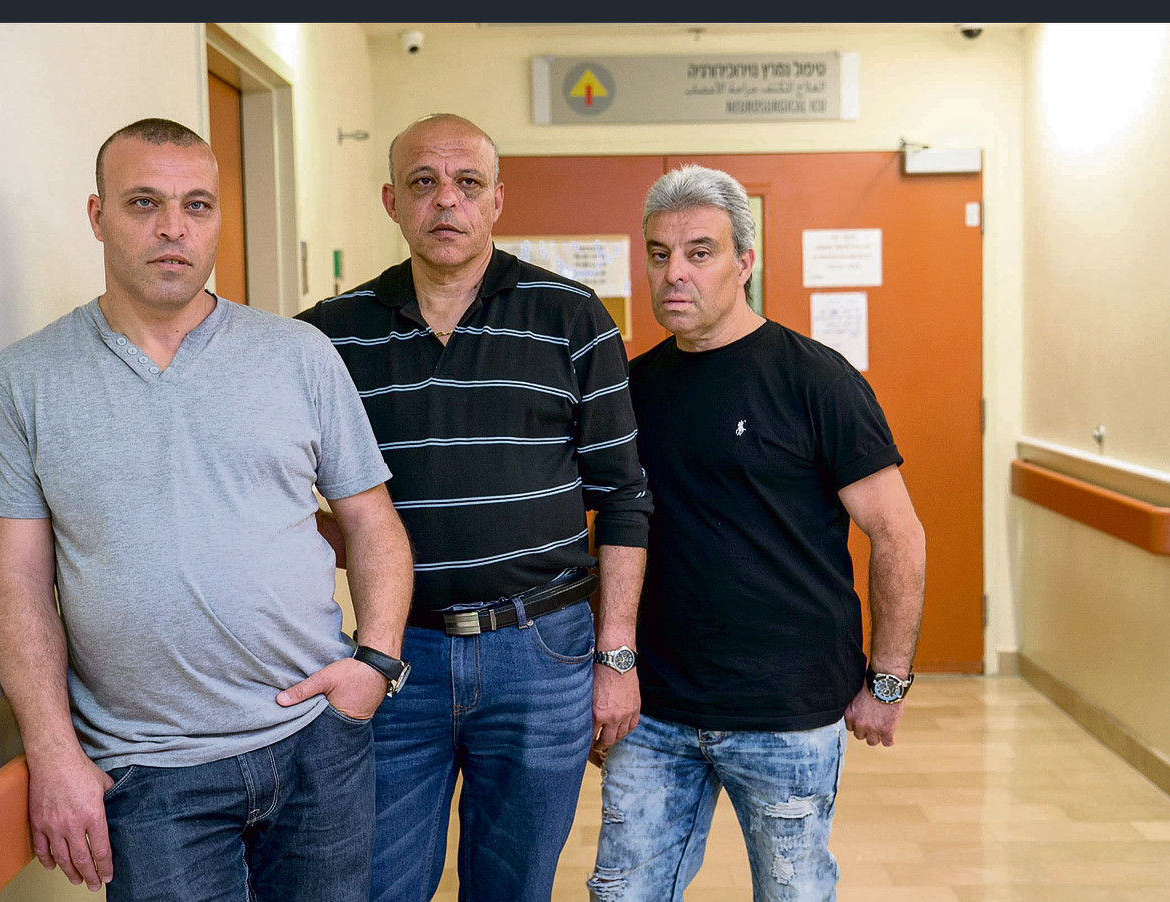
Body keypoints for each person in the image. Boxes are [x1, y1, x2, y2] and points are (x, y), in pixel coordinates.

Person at [0, 117, 414, 901]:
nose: (172, 228)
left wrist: (375, 666)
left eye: (197, 205)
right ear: (97, 215)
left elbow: (371, 521)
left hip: (315, 742)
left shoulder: (297, 354)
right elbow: (18, 578)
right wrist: (51, 750)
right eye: (143, 202)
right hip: (149, 773)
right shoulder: (26, 377)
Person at [295, 113, 652, 902]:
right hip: (396, 657)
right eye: (424, 183)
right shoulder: (328, 336)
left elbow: (624, 498)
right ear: (392, 200)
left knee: (515, 886)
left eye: (467, 184)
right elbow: (276, 497)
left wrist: (615, 655)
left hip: (542, 651)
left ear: (497, 200)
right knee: (379, 883)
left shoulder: (571, 317)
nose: (445, 202)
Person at [588, 164, 927, 901]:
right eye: (657, 254)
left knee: (793, 892)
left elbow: (896, 533)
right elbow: (614, 529)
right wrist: (608, 666)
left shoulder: (817, 381)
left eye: (699, 252)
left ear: (745, 261)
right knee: (621, 893)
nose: (673, 273)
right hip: (656, 709)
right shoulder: (630, 388)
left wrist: (888, 680)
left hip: (786, 711)